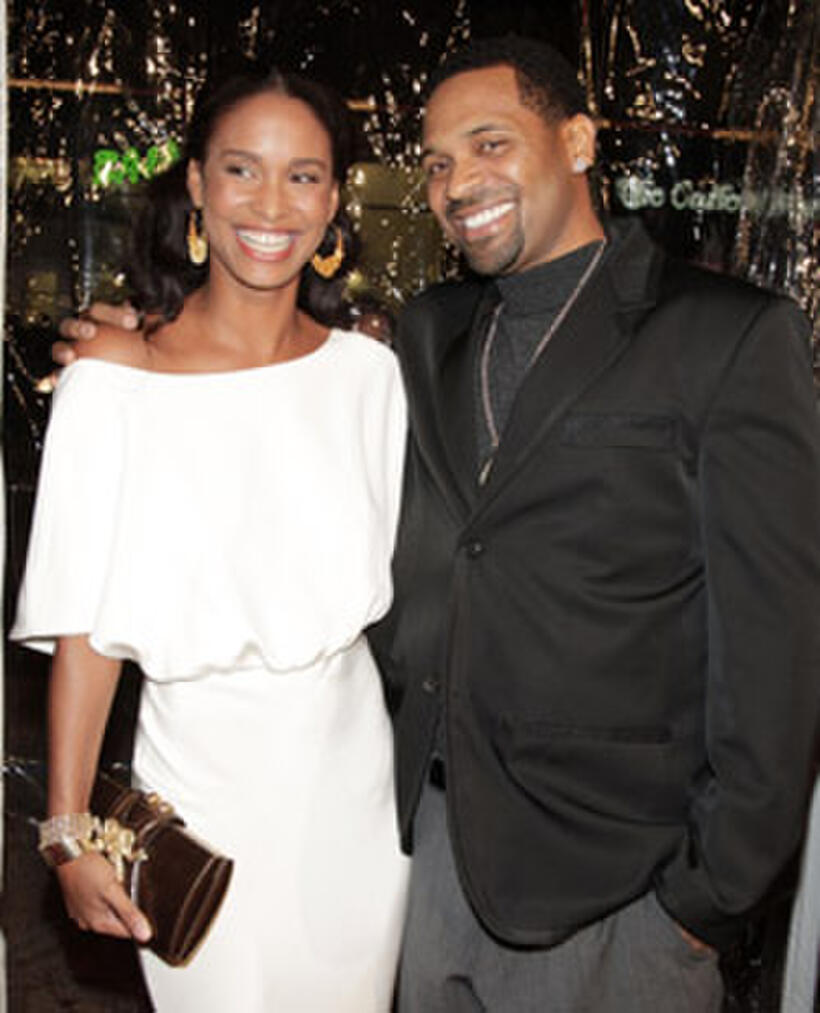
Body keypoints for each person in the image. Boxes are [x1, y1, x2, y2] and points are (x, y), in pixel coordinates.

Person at [54, 34, 820, 1013]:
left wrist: (706, 898)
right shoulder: (426, 335)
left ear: (579, 140)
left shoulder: (726, 334)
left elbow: (776, 647)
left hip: (617, 886)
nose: (460, 182)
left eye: (490, 144)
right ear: (197, 187)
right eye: (436, 162)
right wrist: (132, 345)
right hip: (423, 853)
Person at [13, 68, 408, 1012]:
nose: (271, 205)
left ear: (335, 200)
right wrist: (66, 831)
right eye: (242, 169)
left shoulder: (369, 375)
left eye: (303, 176)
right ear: (195, 183)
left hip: (354, 789)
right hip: (198, 788)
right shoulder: (113, 379)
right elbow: (85, 630)